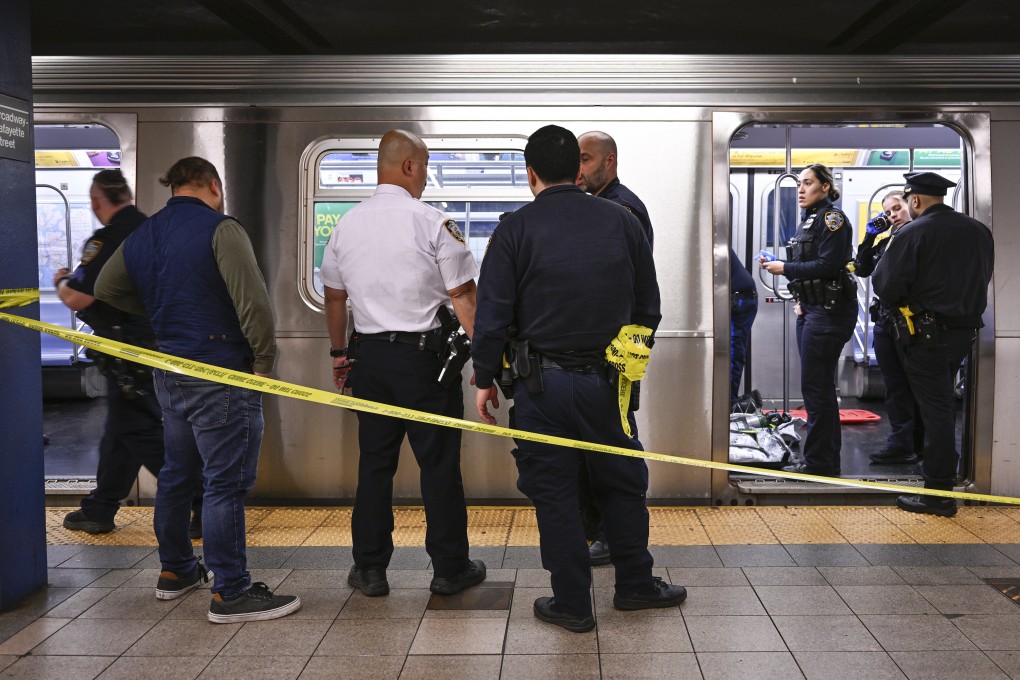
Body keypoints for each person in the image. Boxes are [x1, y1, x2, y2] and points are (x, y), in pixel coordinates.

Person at [473, 125, 686, 634]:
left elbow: (493, 315)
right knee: (620, 484)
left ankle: (572, 603)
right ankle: (634, 585)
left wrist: (485, 378)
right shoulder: (623, 222)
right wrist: (625, 367)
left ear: (531, 174)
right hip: (609, 384)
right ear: (578, 169)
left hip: (540, 386)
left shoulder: (513, 230)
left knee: (556, 492)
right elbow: (648, 307)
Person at [95, 157, 300, 622]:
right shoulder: (221, 229)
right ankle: (232, 591)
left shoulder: (143, 233)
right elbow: (254, 302)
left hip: (169, 371)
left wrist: (161, 312)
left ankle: (177, 571)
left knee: (176, 474)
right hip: (221, 371)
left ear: (174, 188)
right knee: (224, 484)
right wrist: (264, 365)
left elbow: (107, 287)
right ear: (213, 184)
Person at [320, 130, 486, 599]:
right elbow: (465, 299)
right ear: (409, 166)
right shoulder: (432, 222)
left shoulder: (346, 225)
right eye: (427, 164)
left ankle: (370, 569)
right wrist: (489, 365)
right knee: (438, 465)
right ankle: (450, 568)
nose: (427, 175)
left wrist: (339, 356)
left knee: (374, 465)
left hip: (369, 359)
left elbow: (335, 299)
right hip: (424, 362)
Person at [874, 171, 993, 517]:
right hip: (963, 334)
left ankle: (938, 493)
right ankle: (941, 477)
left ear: (915, 200)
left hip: (926, 337)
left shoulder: (913, 232)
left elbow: (886, 285)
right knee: (941, 405)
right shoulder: (979, 231)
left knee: (936, 410)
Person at [53, 169, 165, 535]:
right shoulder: (153, 229)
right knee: (124, 427)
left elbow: (78, 296)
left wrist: (61, 282)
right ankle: (100, 508)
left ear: (98, 202)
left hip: (125, 349)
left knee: (138, 428)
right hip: (156, 343)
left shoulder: (108, 238)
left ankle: (198, 500)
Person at [575, 130, 654, 566]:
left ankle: (614, 537)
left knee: (614, 448)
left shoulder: (621, 209)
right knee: (593, 448)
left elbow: (618, 286)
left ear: (610, 161)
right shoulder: (598, 205)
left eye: (586, 159)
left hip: (614, 354)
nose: (579, 168)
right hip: (603, 354)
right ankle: (598, 531)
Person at [760, 164, 856, 476]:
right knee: (816, 387)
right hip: (813, 310)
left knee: (817, 389)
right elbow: (809, 264)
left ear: (826, 187)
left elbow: (828, 266)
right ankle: (822, 460)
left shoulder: (832, 219)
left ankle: (821, 464)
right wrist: (800, 296)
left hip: (829, 314)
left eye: (809, 183)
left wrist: (784, 269)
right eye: (799, 183)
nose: (801, 189)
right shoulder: (809, 221)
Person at [852, 191, 925, 465]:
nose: (893, 215)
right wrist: (870, 237)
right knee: (895, 386)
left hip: (910, 323)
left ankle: (918, 444)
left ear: (912, 206)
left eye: (898, 208)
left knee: (915, 385)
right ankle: (902, 443)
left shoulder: (918, 237)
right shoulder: (886, 242)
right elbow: (861, 269)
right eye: (888, 212)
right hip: (885, 322)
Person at [730, 247, 759, 408]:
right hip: (740, 297)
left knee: (732, 352)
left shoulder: (711, 241)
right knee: (732, 352)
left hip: (740, 300)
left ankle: (729, 403)